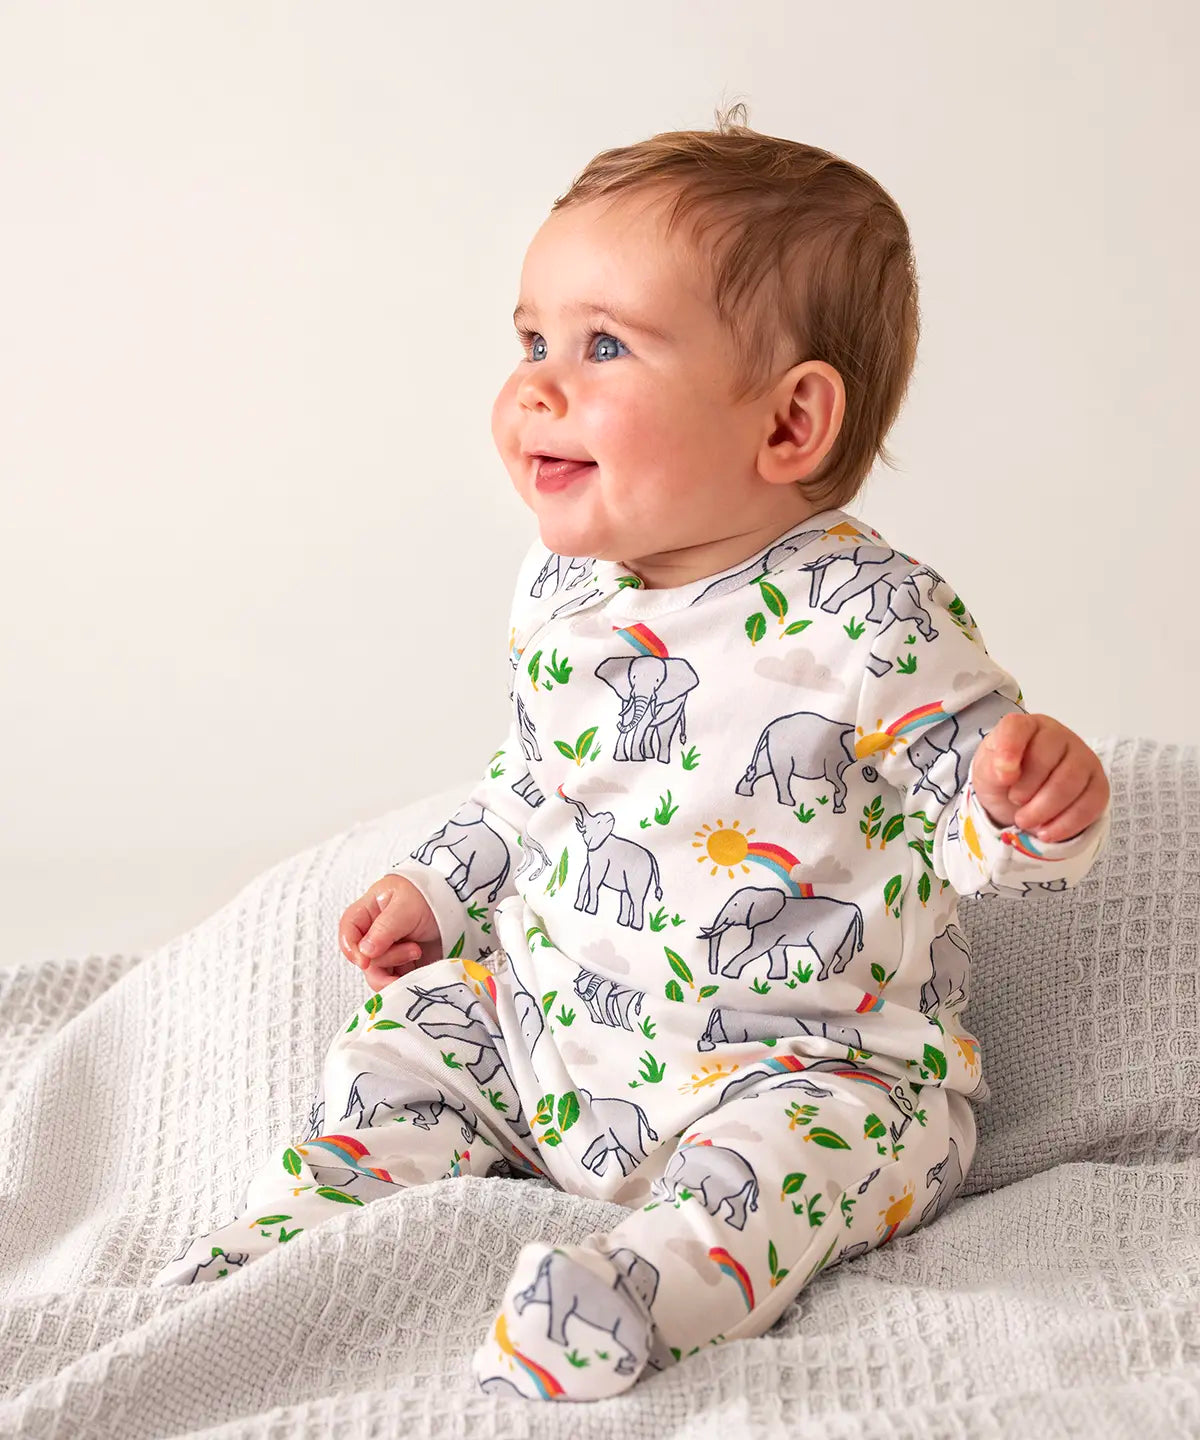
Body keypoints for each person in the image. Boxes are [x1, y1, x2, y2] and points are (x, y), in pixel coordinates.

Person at [153, 106, 1111, 1402]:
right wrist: (440, 889)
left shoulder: (869, 620)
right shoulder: (561, 587)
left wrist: (1034, 802)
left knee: (810, 1160)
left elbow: (978, 813)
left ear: (789, 424)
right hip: (560, 1043)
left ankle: (636, 1293)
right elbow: (530, 785)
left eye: (603, 346)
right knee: (414, 1026)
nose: (538, 387)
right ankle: (317, 1214)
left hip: (799, 1065)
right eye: (532, 341)